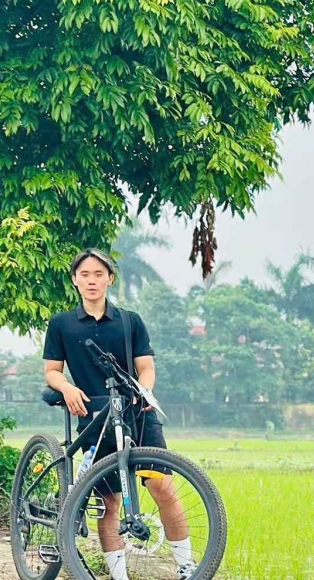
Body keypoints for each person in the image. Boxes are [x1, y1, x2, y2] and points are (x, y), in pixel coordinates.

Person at [42, 248, 193, 580]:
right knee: (108, 501)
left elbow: (146, 367)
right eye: (85, 275)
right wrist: (66, 388)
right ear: (75, 281)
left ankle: (186, 566)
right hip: (94, 416)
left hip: (136, 412)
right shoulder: (62, 324)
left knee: (162, 487)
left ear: (110, 279)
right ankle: (118, 574)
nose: (92, 280)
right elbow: (52, 371)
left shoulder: (130, 321)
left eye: (98, 274)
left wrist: (144, 391)